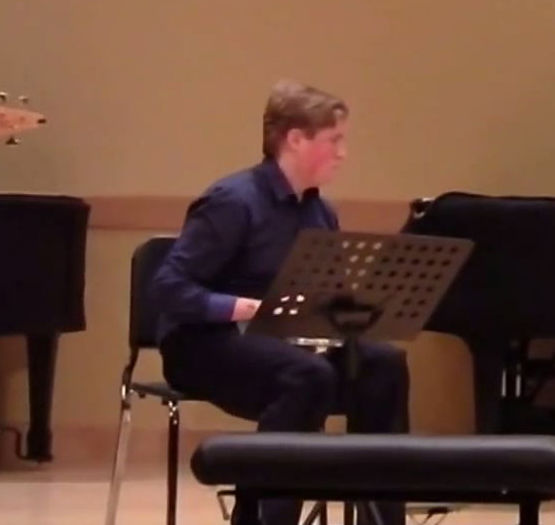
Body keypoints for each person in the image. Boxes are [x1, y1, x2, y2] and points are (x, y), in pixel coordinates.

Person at [149, 79, 410, 525]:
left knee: (384, 364)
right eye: (334, 140)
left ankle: (382, 519)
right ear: (295, 140)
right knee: (305, 374)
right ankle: (264, 519)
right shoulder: (234, 201)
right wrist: (245, 308)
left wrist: (355, 313)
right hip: (203, 344)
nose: (343, 153)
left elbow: (326, 297)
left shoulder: (320, 211)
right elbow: (168, 287)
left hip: (281, 342)